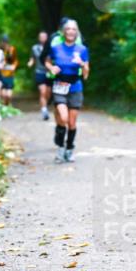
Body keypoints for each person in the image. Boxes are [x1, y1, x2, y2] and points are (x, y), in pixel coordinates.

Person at [44, 19, 89, 163]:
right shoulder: (56, 48)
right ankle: (60, 148)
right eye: (68, 29)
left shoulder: (82, 50)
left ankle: (69, 149)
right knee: (62, 118)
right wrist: (51, 68)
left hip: (75, 87)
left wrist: (81, 64)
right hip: (59, 87)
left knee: (72, 123)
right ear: (64, 32)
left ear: (77, 32)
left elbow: (86, 74)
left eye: (74, 29)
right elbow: (47, 61)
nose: (71, 31)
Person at [28, 31, 51, 120]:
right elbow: (32, 58)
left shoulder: (51, 47)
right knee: (42, 91)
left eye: (44, 36)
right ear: (38, 38)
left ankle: (46, 104)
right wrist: (30, 62)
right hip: (39, 71)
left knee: (48, 93)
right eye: (41, 36)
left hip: (49, 72)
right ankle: (44, 110)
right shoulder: (35, 48)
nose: (42, 38)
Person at [0, 34, 18, 107]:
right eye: (3, 42)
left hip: (10, 73)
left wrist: (14, 66)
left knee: (8, 95)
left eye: (6, 42)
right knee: (3, 94)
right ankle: (4, 106)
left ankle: (7, 105)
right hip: (2, 73)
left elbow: (15, 60)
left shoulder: (12, 49)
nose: (4, 43)